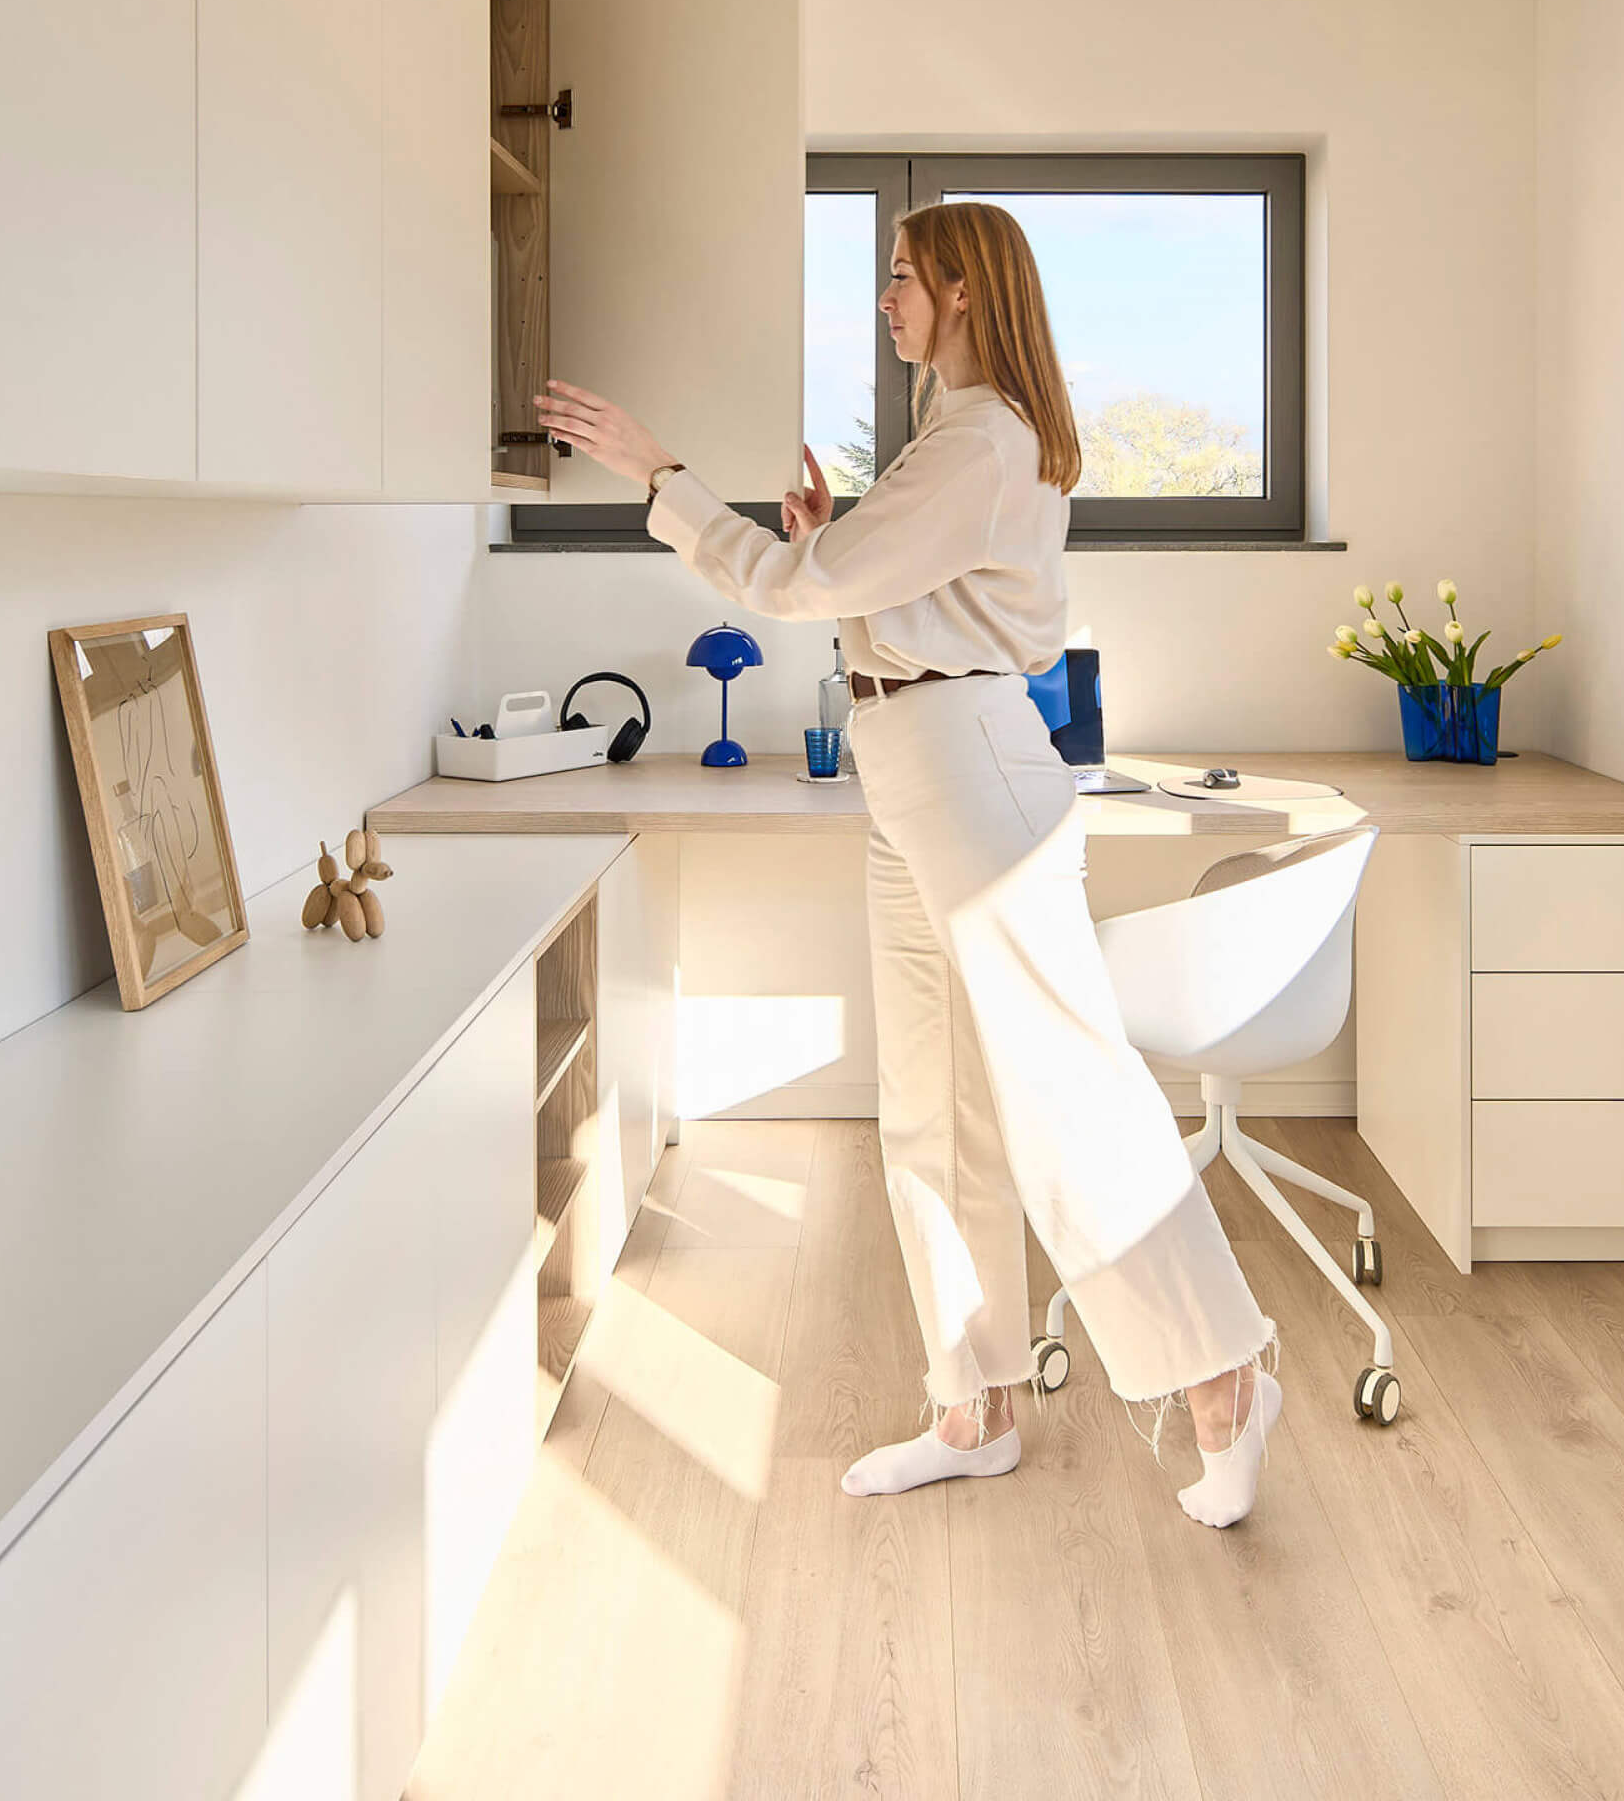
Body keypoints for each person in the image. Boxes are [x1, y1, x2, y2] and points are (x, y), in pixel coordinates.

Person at [532, 201, 1279, 1528]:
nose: (888, 300)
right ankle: (972, 1403)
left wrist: (665, 477)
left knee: (1062, 1091)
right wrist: (837, 549)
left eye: (903, 278)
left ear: (965, 293)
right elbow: (857, 582)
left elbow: (786, 585)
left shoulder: (980, 443)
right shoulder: (961, 443)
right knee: (931, 1098)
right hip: (915, 764)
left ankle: (1224, 1371)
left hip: (965, 765)